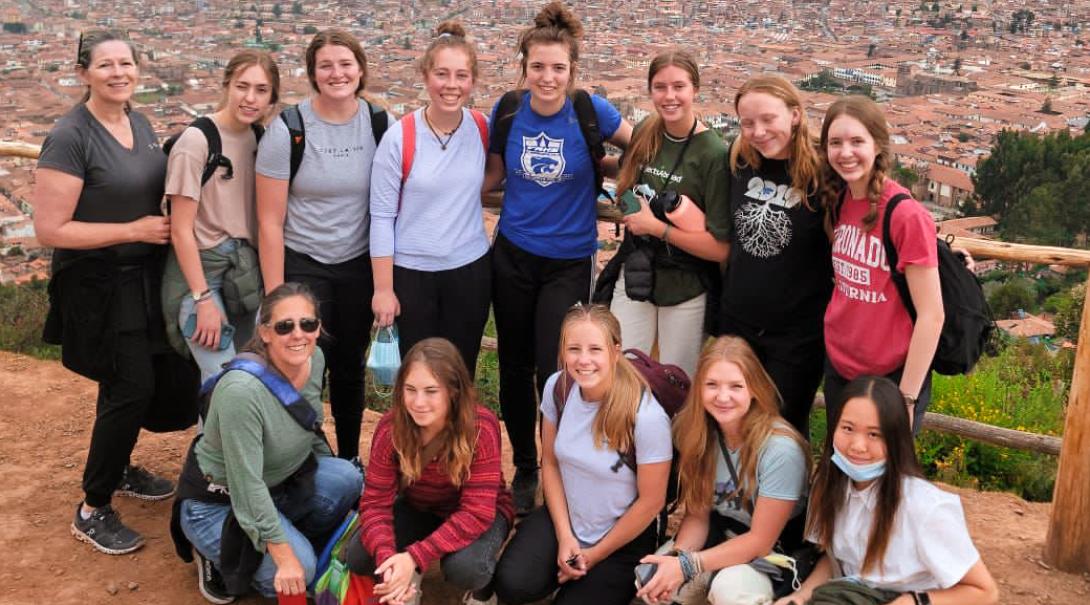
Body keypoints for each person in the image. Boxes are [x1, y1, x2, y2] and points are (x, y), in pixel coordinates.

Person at [484, 0, 633, 514]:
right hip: (513, 253)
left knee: (560, 367)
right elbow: (488, 173)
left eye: (558, 68)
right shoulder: (506, 111)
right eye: (538, 67)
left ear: (573, 72)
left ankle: (559, 465)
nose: (547, 77)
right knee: (513, 363)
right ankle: (526, 467)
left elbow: (640, 148)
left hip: (569, 258)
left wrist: (609, 168)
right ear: (524, 68)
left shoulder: (590, 111)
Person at [34, 29, 175, 556]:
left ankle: (117, 468)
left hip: (140, 277)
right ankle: (93, 507)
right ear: (83, 73)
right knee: (131, 385)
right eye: (106, 65)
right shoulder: (70, 136)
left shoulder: (138, 122)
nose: (119, 73)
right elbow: (50, 229)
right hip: (95, 282)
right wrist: (134, 230)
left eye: (126, 63)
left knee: (136, 380)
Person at [174, 283, 363, 604]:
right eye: (284, 326)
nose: (298, 334)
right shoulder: (241, 391)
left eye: (308, 324)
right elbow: (246, 485)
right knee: (299, 572)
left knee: (348, 478)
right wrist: (285, 557)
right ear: (264, 332)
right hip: (220, 503)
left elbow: (310, 426)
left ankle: (287, 539)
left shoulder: (314, 358)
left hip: (278, 486)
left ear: (318, 328)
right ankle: (219, 556)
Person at [256, 29, 391, 460]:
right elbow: (269, 219)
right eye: (326, 66)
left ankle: (349, 459)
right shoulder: (288, 130)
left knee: (349, 367)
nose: (337, 73)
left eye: (345, 64)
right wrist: (277, 296)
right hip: (303, 263)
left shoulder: (378, 123)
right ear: (313, 74)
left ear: (360, 69)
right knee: (300, 365)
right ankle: (302, 458)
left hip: (355, 264)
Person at [493, 304, 672, 605]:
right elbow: (549, 462)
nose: (584, 360)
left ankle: (586, 583)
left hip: (622, 535)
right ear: (562, 351)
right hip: (567, 518)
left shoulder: (646, 416)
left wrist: (593, 554)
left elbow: (651, 501)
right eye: (573, 348)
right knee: (512, 583)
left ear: (615, 351)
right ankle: (557, 575)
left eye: (595, 349)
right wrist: (565, 538)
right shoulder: (558, 387)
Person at [774, 376, 999, 605]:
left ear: (895, 438)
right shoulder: (828, 486)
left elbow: (985, 591)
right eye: (848, 428)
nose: (857, 446)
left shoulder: (925, 507)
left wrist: (912, 601)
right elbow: (834, 562)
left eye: (874, 434)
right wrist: (799, 598)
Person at [636, 336, 811, 605]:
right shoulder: (699, 434)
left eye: (736, 386)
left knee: (730, 590)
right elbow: (698, 516)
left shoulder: (780, 450)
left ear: (754, 389)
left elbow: (760, 541)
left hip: (772, 552)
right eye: (712, 385)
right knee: (652, 578)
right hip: (721, 535)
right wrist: (677, 559)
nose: (723, 396)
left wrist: (688, 567)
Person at [346, 338, 514, 605]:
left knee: (466, 569)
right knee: (359, 556)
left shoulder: (481, 427)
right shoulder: (391, 428)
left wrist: (414, 556)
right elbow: (375, 502)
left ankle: (484, 590)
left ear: (453, 391)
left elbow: (476, 512)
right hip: (421, 507)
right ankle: (405, 578)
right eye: (410, 389)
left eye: (431, 391)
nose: (418, 402)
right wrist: (389, 561)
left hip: (480, 513)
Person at [369, 22, 491, 375]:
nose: (451, 85)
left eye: (461, 75)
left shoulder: (482, 127)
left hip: (469, 270)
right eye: (442, 74)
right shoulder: (400, 138)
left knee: (460, 370)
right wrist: (383, 289)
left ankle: (457, 433)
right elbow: (380, 217)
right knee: (415, 374)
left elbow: (498, 172)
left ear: (473, 81)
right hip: (411, 275)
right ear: (425, 75)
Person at [599, 50, 729, 378]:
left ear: (695, 90)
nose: (669, 96)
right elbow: (628, 182)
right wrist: (631, 211)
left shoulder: (713, 154)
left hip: (686, 285)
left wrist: (657, 228)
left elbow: (719, 248)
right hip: (637, 274)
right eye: (660, 87)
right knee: (621, 373)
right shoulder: (646, 131)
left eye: (679, 87)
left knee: (678, 383)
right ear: (650, 91)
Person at [717, 75, 832, 438]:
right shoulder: (738, 162)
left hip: (797, 334)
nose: (758, 131)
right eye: (748, 123)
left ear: (795, 115)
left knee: (783, 428)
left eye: (768, 119)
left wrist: (942, 249)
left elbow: (874, 212)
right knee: (732, 422)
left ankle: (787, 497)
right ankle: (733, 495)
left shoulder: (824, 174)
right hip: (737, 325)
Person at [820, 96, 943, 432]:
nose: (845, 153)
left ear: (878, 146)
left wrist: (907, 398)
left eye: (857, 141)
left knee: (884, 478)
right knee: (840, 465)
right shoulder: (838, 200)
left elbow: (932, 315)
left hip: (891, 376)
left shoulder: (905, 214)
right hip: (840, 366)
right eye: (836, 143)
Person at [163, 50, 279, 381]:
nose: (250, 98)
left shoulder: (260, 139)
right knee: (224, 379)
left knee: (247, 378)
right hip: (200, 278)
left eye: (261, 90)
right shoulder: (197, 142)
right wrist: (202, 300)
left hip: (245, 273)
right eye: (242, 86)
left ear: (272, 98)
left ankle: (209, 436)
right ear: (227, 85)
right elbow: (180, 230)